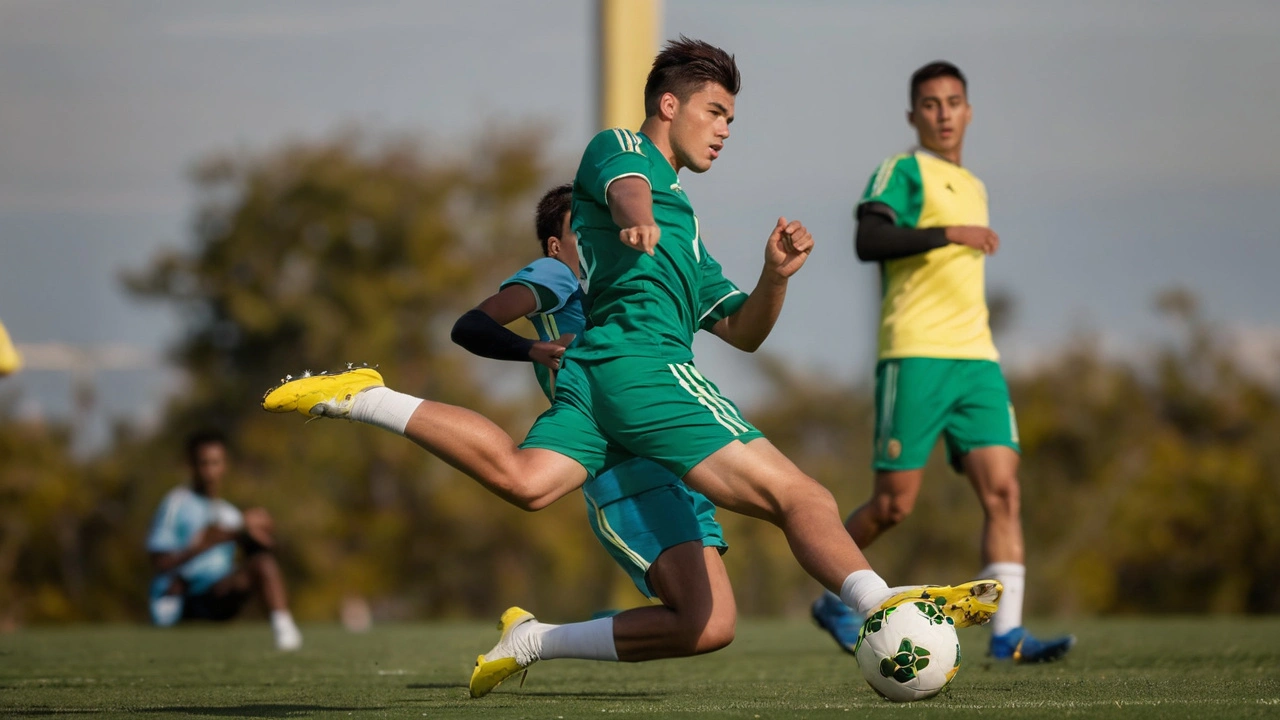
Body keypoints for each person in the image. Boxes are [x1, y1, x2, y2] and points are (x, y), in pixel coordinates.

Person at [263, 38, 1000, 695]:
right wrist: (633, 212)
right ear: (669, 104)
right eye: (714, 112)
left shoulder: (690, 232)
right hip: (642, 367)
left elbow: (742, 332)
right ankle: (882, 608)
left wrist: (775, 277)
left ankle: (372, 402)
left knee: (577, 522)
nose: (724, 129)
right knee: (800, 497)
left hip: (598, 377)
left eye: (732, 119)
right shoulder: (622, 149)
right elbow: (624, 183)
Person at [809, 61, 1074, 664]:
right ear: (913, 115)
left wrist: (957, 226)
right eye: (931, 104)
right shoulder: (902, 172)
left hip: (977, 358)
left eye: (954, 102)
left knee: (1004, 492)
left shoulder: (974, 183)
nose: (944, 113)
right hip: (915, 354)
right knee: (892, 506)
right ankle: (833, 592)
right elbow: (867, 241)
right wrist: (948, 231)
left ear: (969, 111)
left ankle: (1006, 635)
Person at [449, 183, 738, 695]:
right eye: (580, 229)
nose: (594, 236)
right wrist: (534, 348)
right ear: (557, 246)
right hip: (623, 469)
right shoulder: (557, 274)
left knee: (717, 625)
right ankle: (535, 640)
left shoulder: (624, 286)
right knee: (703, 621)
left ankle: (536, 637)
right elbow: (471, 325)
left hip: (675, 459)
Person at [146, 429, 302, 651]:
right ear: (191, 465)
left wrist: (265, 532)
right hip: (182, 598)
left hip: (218, 596)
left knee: (263, 563)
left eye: (215, 463)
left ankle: (285, 631)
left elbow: (261, 560)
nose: (209, 471)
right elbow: (158, 562)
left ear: (225, 465)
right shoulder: (176, 503)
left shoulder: (230, 514)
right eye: (203, 463)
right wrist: (202, 545)